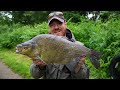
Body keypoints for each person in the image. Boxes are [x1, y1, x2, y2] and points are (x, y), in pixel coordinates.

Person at [30, 11, 89, 79]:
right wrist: (40, 67)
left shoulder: (78, 46)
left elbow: (83, 76)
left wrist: (78, 68)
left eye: (59, 23)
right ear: (49, 27)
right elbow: (35, 75)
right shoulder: (43, 45)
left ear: (65, 23)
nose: (56, 27)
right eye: (52, 25)